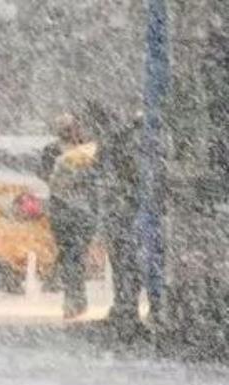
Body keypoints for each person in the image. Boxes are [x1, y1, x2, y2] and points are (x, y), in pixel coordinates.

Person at [86, 101, 148, 339]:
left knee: (124, 265)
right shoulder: (128, 141)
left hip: (121, 214)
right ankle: (126, 311)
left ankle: (125, 311)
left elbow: (99, 176)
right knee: (128, 265)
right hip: (127, 214)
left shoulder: (115, 141)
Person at [44, 113, 99, 319]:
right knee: (70, 256)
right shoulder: (52, 151)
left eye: (71, 127)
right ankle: (73, 298)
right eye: (64, 128)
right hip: (64, 210)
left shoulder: (89, 150)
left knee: (74, 256)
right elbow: (46, 174)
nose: (68, 132)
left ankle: (75, 297)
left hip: (81, 212)